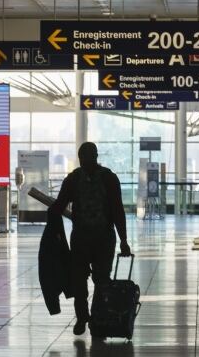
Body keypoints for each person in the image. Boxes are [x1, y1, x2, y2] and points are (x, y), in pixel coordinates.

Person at [48, 142, 131, 336]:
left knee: (96, 280)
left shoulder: (99, 179)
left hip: (95, 239)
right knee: (84, 280)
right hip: (89, 239)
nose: (87, 161)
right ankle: (86, 318)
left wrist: (124, 240)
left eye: (89, 157)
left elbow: (118, 211)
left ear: (95, 156)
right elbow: (60, 206)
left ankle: (94, 318)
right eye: (85, 157)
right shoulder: (83, 179)